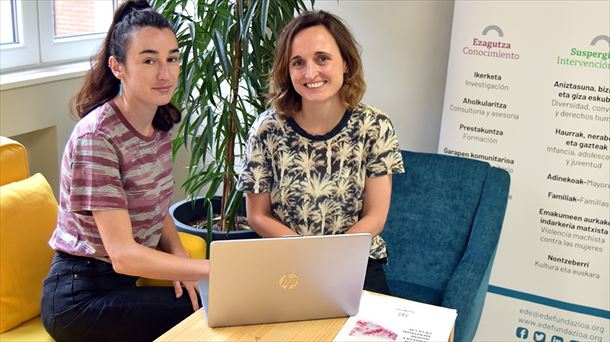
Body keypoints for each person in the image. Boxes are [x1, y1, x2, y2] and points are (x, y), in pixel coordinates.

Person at [40, 1, 208, 340]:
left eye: (172, 59)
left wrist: (178, 254)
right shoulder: (97, 138)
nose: (165, 73)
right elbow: (123, 255)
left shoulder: (157, 127)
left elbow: (154, 207)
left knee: (206, 303)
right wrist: (212, 269)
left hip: (121, 286)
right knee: (208, 309)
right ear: (117, 67)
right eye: (149, 60)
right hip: (78, 297)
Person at [237, 10, 404, 295]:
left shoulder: (375, 126)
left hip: (356, 262)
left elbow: (375, 216)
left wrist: (330, 258)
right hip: (286, 263)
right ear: (287, 72)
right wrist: (308, 256)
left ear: (346, 64)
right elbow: (257, 216)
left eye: (322, 58)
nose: (310, 73)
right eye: (298, 62)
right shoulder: (267, 128)